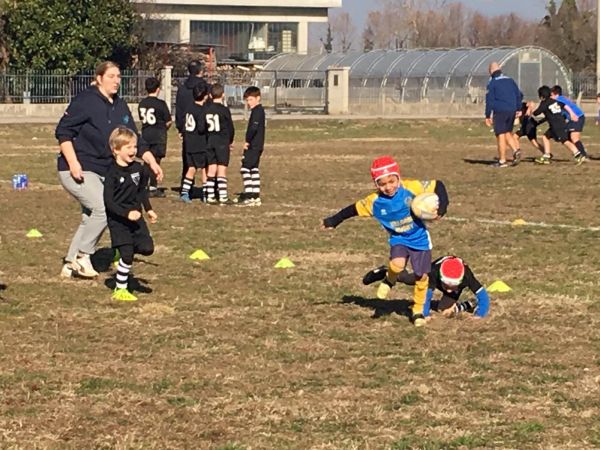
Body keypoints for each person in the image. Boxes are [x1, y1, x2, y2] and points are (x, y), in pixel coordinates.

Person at [56, 61, 162, 279]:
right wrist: (74, 163)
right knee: (103, 208)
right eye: (112, 76)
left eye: (119, 77)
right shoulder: (85, 101)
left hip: (105, 171)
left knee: (90, 217)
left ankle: (70, 263)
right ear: (99, 78)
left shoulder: (120, 105)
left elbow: (133, 138)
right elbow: (63, 133)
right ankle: (84, 255)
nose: (116, 81)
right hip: (77, 168)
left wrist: (150, 160)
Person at [322, 156, 444, 327]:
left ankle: (417, 310)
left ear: (398, 177)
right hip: (399, 239)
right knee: (397, 265)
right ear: (375, 184)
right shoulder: (374, 202)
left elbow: (438, 185)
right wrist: (333, 221)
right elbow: (352, 210)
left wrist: (442, 209)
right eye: (382, 184)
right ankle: (389, 279)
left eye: (392, 181)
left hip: (420, 240)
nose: (388, 187)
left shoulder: (411, 187)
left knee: (421, 276)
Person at [103, 127, 156, 301]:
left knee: (147, 249)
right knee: (127, 253)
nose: (134, 151)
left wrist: (148, 209)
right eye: (129, 147)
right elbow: (109, 202)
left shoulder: (139, 169)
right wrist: (126, 214)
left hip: (136, 219)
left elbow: (141, 192)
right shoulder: (111, 173)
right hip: (118, 219)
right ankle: (120, 289)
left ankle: (123, 252)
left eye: (135, 147)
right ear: (116, 150)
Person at [362, 255, 490, 319]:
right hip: (430, 274)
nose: (449, 290)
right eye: (447, 286)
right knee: (408, 279)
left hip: (451, 279)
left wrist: (479, 315)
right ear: (441, 278)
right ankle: (387, 272)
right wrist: (425, 314)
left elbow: (483, 296)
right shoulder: (433, 273)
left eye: (453, 286)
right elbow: (426, 295)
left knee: (444, 311)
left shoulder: (467, 277)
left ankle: (468, 304)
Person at [175, 60, 210, 191]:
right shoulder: (205, 87)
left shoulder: (182, 89)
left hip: (187, 127)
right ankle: (209, 187)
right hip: (202, 128)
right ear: (201, 71)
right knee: (205, 160)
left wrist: (180, 127)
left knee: (188, 158)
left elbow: (178, 109)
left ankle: (187, 185)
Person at [532, 86, 585, 165]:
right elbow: (565, 106)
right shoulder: (554, 101)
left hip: (556, 126)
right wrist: (572, 113)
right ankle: (546, 156)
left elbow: (536, 113)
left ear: (541, 95)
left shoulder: (544, 103)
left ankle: (578, 154)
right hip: (559, 124)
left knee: (564, 140)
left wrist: (531, 109)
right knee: (545, 137)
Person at [138, 77, 172, 197]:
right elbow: (168, 121)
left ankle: (143, 185)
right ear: (158, 89)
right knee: (155, 161)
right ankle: (153, 187)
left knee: (147, 162)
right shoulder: (161, 104)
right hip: (158, 136)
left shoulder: (142, 103)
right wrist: (164, 128)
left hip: (146, 134)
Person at [484, 62, 523, 168]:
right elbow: (519, 95)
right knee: (507, 132)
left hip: (500, 111)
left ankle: (502, 161)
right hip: (512, 110)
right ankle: (516, 151)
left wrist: (487, 115)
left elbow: (489, 100)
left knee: (500, 134)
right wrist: (519, 108)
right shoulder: (510, 80)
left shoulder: (492, 83)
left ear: (491, 71)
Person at [204, 83, 235, 204]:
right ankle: (222, 196)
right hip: (222, 142)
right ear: (223, 95)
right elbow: (230, 128)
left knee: (211, 169)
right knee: (221, 169)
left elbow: (203, 127)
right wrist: (230, 141)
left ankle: (210, 196)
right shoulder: (224, 110)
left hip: (210, 141)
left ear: (211, 95)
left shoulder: (206, 110)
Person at [236, 86, 266, 206]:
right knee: (253, 169)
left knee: (245, 168)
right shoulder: (258, 111)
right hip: (258, 145)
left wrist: (247, 141)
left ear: (258, 98)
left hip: (254, 145)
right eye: (247, 100)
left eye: (251, 100)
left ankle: (249, 195)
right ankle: (255, 195)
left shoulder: (257, 111)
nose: (249, 103)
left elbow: (253, 128)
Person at [180, 85, 209, 203]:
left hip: (188, 143)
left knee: (191, 168)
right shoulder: (201, 110)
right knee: (204, 169)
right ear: (205, 96)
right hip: (199, 144)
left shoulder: (188, 108)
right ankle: (206, 193)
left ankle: (185, 192)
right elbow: (201, 128)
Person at [550, 85, 588, 160]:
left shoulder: (559, 100)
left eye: (551, 95)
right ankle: (580, 150)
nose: (550, 97)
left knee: (574, 137)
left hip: (577, 117)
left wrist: (572, 115)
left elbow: (568, 108)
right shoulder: (560, 99)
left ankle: (583, 155)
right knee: (566, 137)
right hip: (571, 119)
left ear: (556, 94)